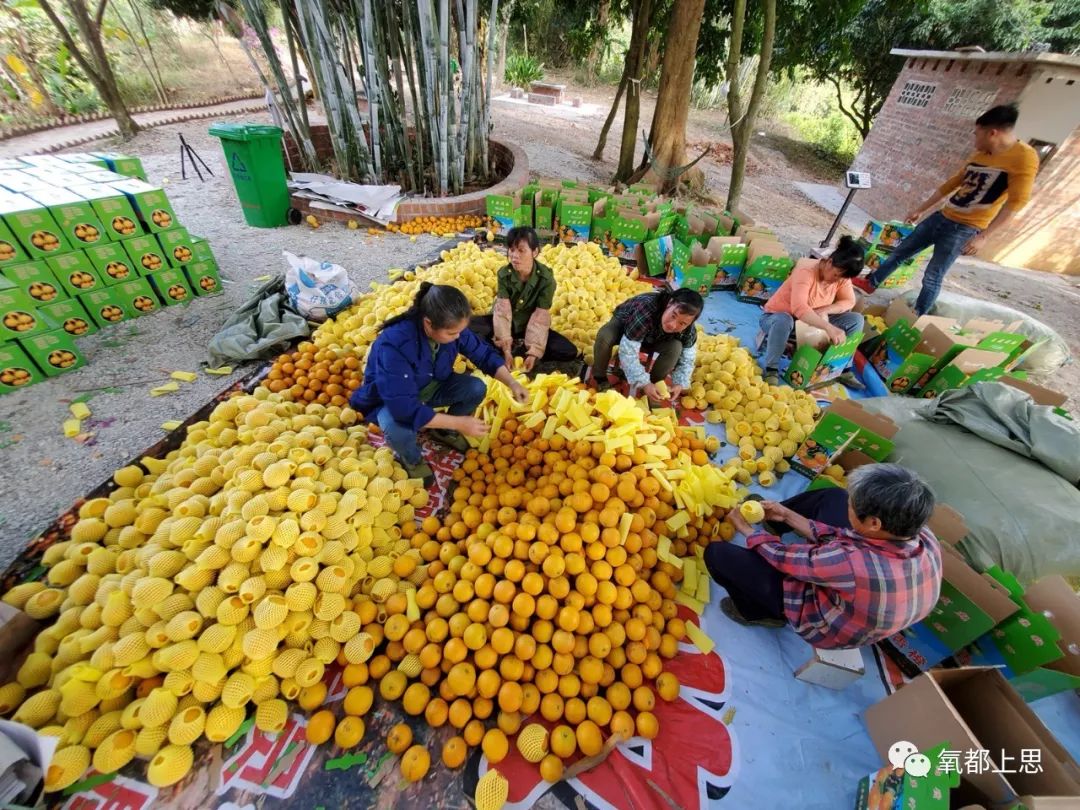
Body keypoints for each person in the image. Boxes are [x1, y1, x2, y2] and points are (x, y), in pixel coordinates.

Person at [703, 464, 942, 650]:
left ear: (873, 523)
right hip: (866, 595)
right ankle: (774, 522)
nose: (850, 504)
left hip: (827, 626)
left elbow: (781, 557)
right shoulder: (920, 533)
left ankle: (760, 612)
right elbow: (847, 537)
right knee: (834, 497)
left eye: (854, 505)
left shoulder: (850, 563)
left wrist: (747, 530)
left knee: (718, 554)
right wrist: (786, 515)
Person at [853, 103, 1039, 315]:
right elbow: (951, 184)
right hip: (942, 216)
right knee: (901, 250)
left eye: (977, 134)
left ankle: (917, 314)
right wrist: (921, 209)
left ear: (992, 133)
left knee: (933, 274)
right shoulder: (980, 155)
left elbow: (1016, 204)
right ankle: (871, 282)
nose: (975, 140)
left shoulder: (1024, 157)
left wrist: (984, 237)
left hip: (965, 228)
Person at [350, 282, 529, 484]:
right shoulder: (394, 344)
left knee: (475, 388)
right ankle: (412, 459)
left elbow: (483, 354)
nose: (458, 337)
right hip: (391, 399)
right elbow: (403, 407)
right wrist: (459, 423)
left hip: (429, 384)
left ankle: (442, 430)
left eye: (460, 332)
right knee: (398, 427)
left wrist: (513, 383)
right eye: (452, 334)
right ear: (428, 323)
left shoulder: (452, 327)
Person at [759, 235, 865, 386]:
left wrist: (825, 309)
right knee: (784, 319)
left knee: (856, 320)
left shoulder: (841, 277)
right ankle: (771, 369)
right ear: (829, 262)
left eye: (841, 278)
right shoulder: (806, 273)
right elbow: (799, 308)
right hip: (779, 320)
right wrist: (829, 327)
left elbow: (849, 301)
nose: (836, 281)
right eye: (835, 275)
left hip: (812, 324)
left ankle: (840, 367)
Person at [470, 226, 579, 372]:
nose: (514, 255)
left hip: (530, 326)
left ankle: (522, 352)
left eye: (521, 250)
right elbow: (502, 312)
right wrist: (506, 350)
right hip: (505, 324)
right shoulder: (504, 274)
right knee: (465, 326)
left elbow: (540, 317)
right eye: (512, 249)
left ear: (535, 252)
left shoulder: (546, 279)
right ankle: (508, 349)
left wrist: (533, 353)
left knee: (568, 351)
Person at [587, 287, 704, 405]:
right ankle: (600, 378)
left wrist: (679, 383)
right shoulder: (647, 309)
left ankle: (656, 385)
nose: (673, 325)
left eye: (682, 323)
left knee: (676, 347)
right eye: (673, 316)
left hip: (654, 336)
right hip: (625, 326)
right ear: (669, 303)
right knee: (605, 336)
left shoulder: (689, 330)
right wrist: (643, 383)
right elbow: (628, 352)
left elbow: (688, 359)